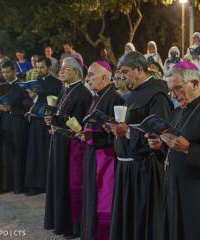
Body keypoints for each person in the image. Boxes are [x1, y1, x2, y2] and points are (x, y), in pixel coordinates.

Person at [148, 61, 200, 240]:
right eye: (171, 90)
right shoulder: (178, 112)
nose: (174, 95)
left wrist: (189, 149)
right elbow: (174, 151)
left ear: (195, 84)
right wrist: (161, 147)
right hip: (176, 190)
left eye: (177, 89)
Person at [106, 51, 173, 240]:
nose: (122, 76)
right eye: (120, 72)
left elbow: (160, 133)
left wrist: (126, 132)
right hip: (127, 167)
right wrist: (114, 127)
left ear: (139, 69)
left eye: (125, 71)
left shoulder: (157, 94)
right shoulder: (134, 94)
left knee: (143, 221)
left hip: (145, 169)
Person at [44, 57, 92, 236]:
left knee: (68, 184)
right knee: (58, 181)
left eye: (65, 69)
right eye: (61, 69)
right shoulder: (66, 89)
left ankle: (71, 226)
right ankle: (60, 222)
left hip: (71, 146)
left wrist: (57, 121)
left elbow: (77, 123)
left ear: (76, 72)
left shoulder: (81, 93)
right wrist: (52, 121)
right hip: (59, 141)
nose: (61, 72)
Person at [80, 61, 124, 240]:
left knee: (104, 200)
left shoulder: (115, 98)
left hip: (106, 159)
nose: (87, 78)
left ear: (105, 76)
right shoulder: (97, 96)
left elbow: (118, 134)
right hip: (93, 155)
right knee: (91, 197)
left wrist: (93, 138)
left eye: (91, 74)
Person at [25, 57, 62, 196]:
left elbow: (56, 100)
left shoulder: (57, 83)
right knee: (34, 152)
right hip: (35, 120)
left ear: (48, 67)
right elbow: (33, 100)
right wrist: (31, 95)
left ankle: (48, 184)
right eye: (37, 67)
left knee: (46, 151)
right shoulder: (35, 82)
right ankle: (34, 184)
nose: (39, 70)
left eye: (42, 67)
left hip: (47, 121)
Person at [0, 61, 32, 193]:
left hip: (18, 125)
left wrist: (12, 108)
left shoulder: (23, 85)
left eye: (8, 72)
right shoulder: (1, 87)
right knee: (5, 155)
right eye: (3, 72)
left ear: (14, 71)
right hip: (4, 125)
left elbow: (28, 105)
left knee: (18, 155)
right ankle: (6, 185)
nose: (5, 75)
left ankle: (18, 186)